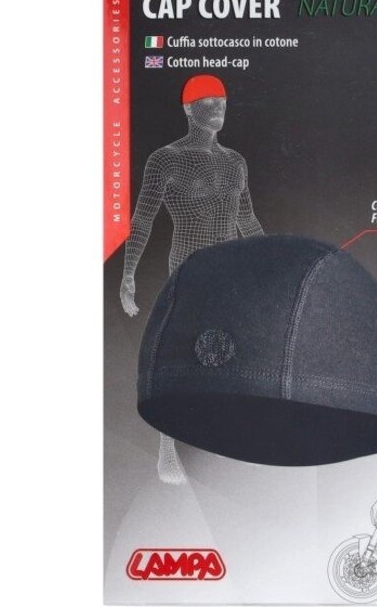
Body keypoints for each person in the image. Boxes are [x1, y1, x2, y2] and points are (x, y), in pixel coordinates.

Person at [120, 74, 264, 483]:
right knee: (182, 357)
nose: (219, 108)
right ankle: (168, 448)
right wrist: (128, 273)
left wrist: (276, 260)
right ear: (188, 108)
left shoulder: (235, 162)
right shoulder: (166, 159)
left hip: (230, 270)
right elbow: (143, 218)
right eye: (209, 102)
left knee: (232, 355)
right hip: (189, 268)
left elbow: (247, 220)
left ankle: (224, 446)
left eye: (223, 101)